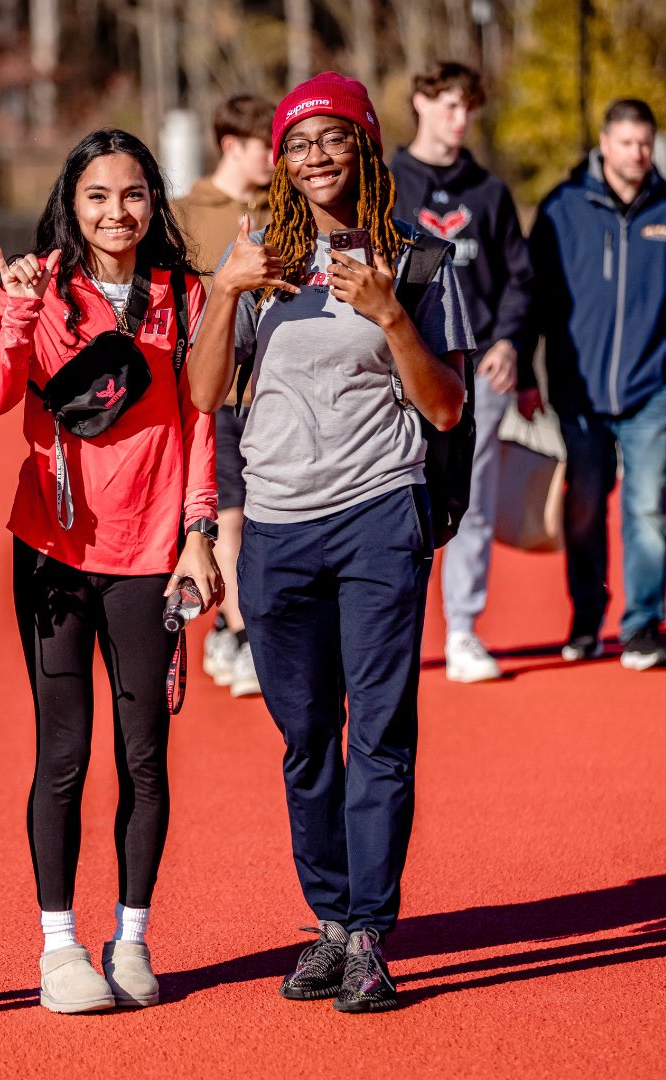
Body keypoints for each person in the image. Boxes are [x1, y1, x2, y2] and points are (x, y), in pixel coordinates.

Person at [189, 73, 474, 1012]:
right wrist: (227, 289)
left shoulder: (423, 260)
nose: (315, 154)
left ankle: (369, 936)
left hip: (378, 517)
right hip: (275, 526)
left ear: (366, 147)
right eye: (299, 141)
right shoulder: (257, 257)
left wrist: (391, 312)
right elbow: (202, 393)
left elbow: (444, 406)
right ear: (281, 159)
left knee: (380, 734)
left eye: (333, 137)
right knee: (306, 735)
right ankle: (328, 921)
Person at [0, 129, 219, 1014]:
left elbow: (202, 422)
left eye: (131, 195)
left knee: (146, 757)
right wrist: (12, 312)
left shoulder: (185, 295)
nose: (115, 212)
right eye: (96, 196)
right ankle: (59, 948)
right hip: (53, 554)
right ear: (70, 205)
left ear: (154, 202)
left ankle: (132, 937)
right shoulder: (42, 288)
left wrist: (198, 532)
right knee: (64, 754)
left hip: (151, 558)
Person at [390, 62, 535, 683]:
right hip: (396, 373)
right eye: (448, 104)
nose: (460, 118)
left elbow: (520, 280)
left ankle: (464, 632)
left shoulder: (489, 191)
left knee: (467, 504)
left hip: (473, 373)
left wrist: (508, 343)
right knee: (391, 498)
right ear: (420, 102)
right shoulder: (388, 183)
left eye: (467, 107)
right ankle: (390, 633)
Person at [530, 99, 666, 670]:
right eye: (627, 142)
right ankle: (587, 619)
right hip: (578, 390)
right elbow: (533, 295)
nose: (637, 154)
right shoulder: (563, 208)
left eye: (645, 143)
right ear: (604, 144)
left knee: (648, 506)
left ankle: (640, 626)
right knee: (585, 506)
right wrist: (523, 365)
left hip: (652, 389)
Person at [174, 93, 275, 697]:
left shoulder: (281, 212)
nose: (277, 159)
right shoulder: (185, 215)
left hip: (275, 397)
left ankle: (231, 631)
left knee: (264, 518)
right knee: (230, 518)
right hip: (215, 397)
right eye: (267, 147)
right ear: (232, 145)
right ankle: (241, 634)